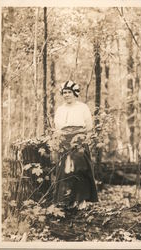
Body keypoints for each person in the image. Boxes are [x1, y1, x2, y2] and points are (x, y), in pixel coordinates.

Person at [53, 80, 98, 209]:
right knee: (66, 170)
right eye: (64, 92)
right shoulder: (60, 109)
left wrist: (81, 137)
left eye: (69, 92)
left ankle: (82, 200)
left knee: (81, 168)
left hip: (80, 139)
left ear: (74, 93)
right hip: (65, 140)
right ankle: (68, 201)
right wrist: (64, 138)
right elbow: (58, 127)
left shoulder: (82, 107)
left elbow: (89, 126)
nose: (67, 95)